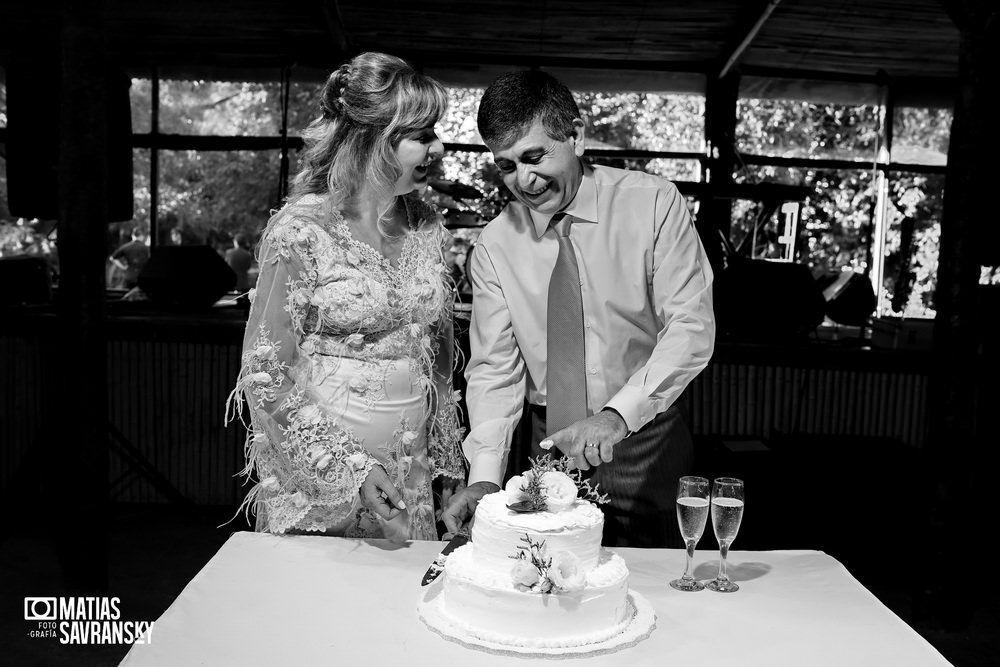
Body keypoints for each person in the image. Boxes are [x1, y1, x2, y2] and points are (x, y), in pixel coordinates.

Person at [442, 71, 715, 547]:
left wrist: (616, 416)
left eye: (533, 156)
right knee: (548, 587)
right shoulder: (494, 246)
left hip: (643, 436)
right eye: (505, 166)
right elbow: (494, 371)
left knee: (656, 591)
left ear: (577, 135)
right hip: (547, 444)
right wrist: (485, 475)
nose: (523, 180)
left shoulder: (652, 204)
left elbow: (690, 327)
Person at [226, 52, 465, 540]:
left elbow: (437, 357)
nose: (438, 148)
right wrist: (348, 469)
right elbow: (267, 371)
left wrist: (447, 465)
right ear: (372, 138)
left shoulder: (426, 227)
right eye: (422, 136)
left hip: (409, 474)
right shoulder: (302, 230)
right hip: (323, 480)